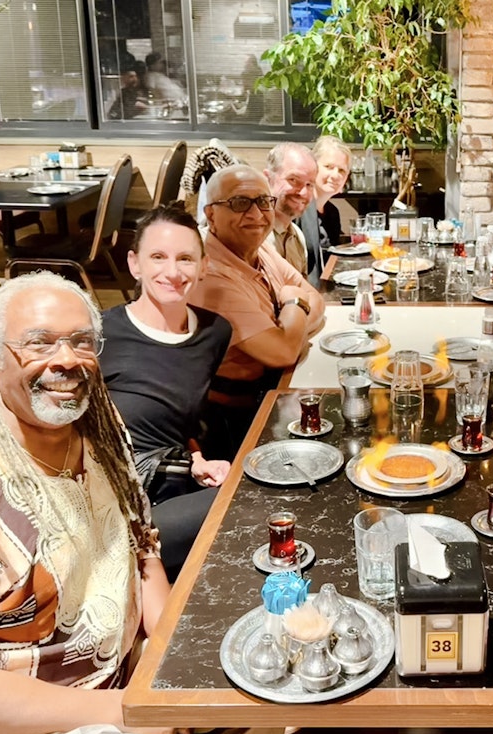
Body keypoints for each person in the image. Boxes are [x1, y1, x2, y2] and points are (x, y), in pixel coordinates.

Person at [0, 273, 281, 734]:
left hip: (113, 678)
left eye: (82, 342)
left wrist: (174, 659)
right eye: (39, 343)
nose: (67, 359)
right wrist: (129, 713)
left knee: (257, 694)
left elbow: (142, 547)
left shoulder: (98, 427)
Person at [100, 203, 232, 582]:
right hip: (117, 509)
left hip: (174, 487)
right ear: (134, 264)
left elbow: (176, 419)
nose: (172, 272)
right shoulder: (100, 336)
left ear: (203, 266)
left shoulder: (214, 332)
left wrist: (198, 458)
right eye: (157, 257)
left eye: (186, 259)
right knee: (248, 501)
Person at [188, 165, 325, 456]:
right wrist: (292, 303)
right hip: (237, 421)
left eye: (264, 202)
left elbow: (317, 301)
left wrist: (289, 329)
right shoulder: (209, 275)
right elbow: (282, 352)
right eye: (240, 203)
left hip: (277, 388)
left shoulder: (257, 248)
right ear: (211, 215)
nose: (256, 215)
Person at [261, 143, 320, 283]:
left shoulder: (297, 236)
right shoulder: (255, 236)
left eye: (309, 184)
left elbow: (303, 292)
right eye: (293, 180)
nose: (304, 193)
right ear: (268, 179)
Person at [299, 135, 353, 269]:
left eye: (341, 170)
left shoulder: (333, 212)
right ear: (313, 167)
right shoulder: (298, 209)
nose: (335, 175)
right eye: (329, 167)